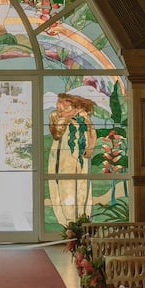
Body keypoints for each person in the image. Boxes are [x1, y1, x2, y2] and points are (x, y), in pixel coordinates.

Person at [48, 91, 97, 225]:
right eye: (59, 101)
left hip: (80, 157)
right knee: (65, 184)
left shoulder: (83, 116)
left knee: (81, 184)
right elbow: (56, 133)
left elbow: (92, 132)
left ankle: (82, 219)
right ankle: (68, 222)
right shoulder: (54, 115)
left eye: (64, 101)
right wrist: (67, 116)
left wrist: (91, 147)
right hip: (63, 156)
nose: (60, 104)